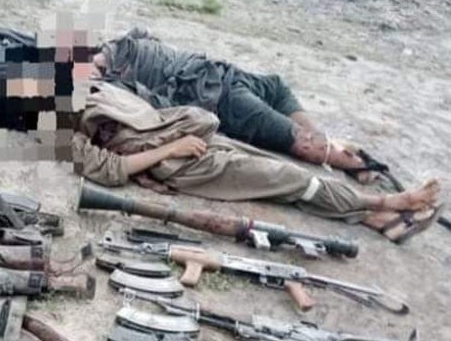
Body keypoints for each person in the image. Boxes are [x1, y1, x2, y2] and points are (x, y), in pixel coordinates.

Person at [72, 81, 442, 243]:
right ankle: (389, 203)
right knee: (292, 178)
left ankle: (379, 222)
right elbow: (109, 170)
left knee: (282, 183)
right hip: (181, 164)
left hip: (194, 137)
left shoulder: (89, 85)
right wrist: (170, 151)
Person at [88, 27, 388, 185]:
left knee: (301, 136)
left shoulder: (116, 54)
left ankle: (352, 160)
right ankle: (341, 153)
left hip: (226, 92)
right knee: (280, 98)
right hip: (224, 81)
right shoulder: (120, 60)